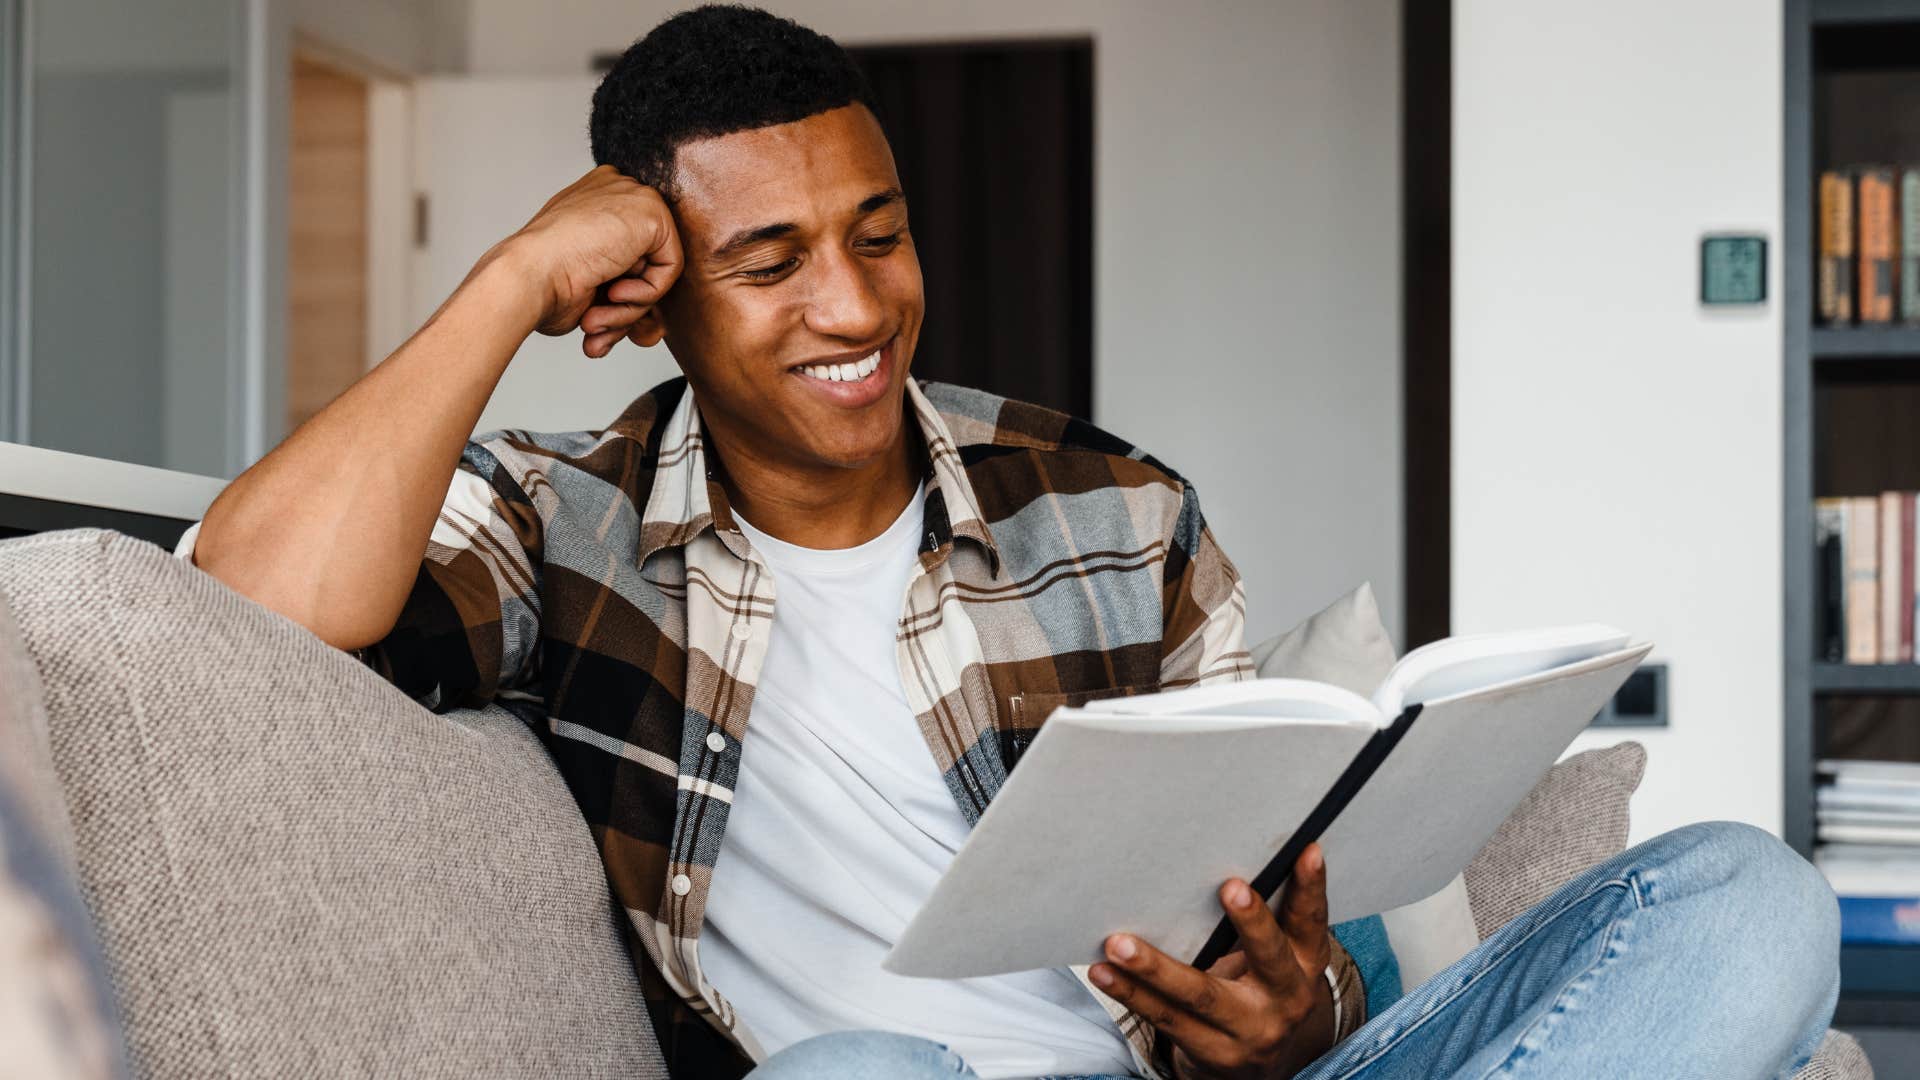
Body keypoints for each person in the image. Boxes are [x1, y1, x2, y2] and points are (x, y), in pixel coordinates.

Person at [181, 6, 1840, 1078]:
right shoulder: (569, 522)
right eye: (768, 263)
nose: (854, 304)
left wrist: (1300, 1013)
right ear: (653, 297)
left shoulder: (1116, 508)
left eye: (879, 233)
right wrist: (513, 278)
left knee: (1747, 897)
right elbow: (251, 597)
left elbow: (1275, 939)